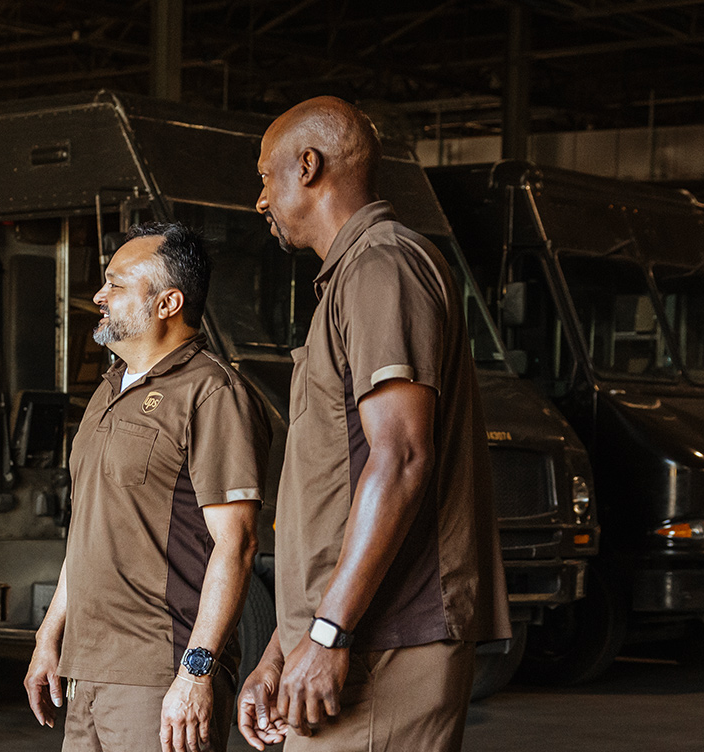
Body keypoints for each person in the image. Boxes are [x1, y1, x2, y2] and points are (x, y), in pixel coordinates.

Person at [237, 97, 510, 752]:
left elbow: (402, 457)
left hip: (383, 642)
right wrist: (283, 647)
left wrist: (328, 633)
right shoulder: (353, 279)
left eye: (265, 177)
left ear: (309, 166)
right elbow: (338, 493)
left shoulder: (382, 267)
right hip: (351, 638)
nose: (260, 200)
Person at [25, 223, 271, 752]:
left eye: (116, 284)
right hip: (85, 671)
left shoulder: (213, 393)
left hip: (159, 675)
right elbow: (89, 529)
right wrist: (49, 638)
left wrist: (197, 673)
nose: (99, 296)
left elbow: (239, 543)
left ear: (168, 303)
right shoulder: (109, 389)